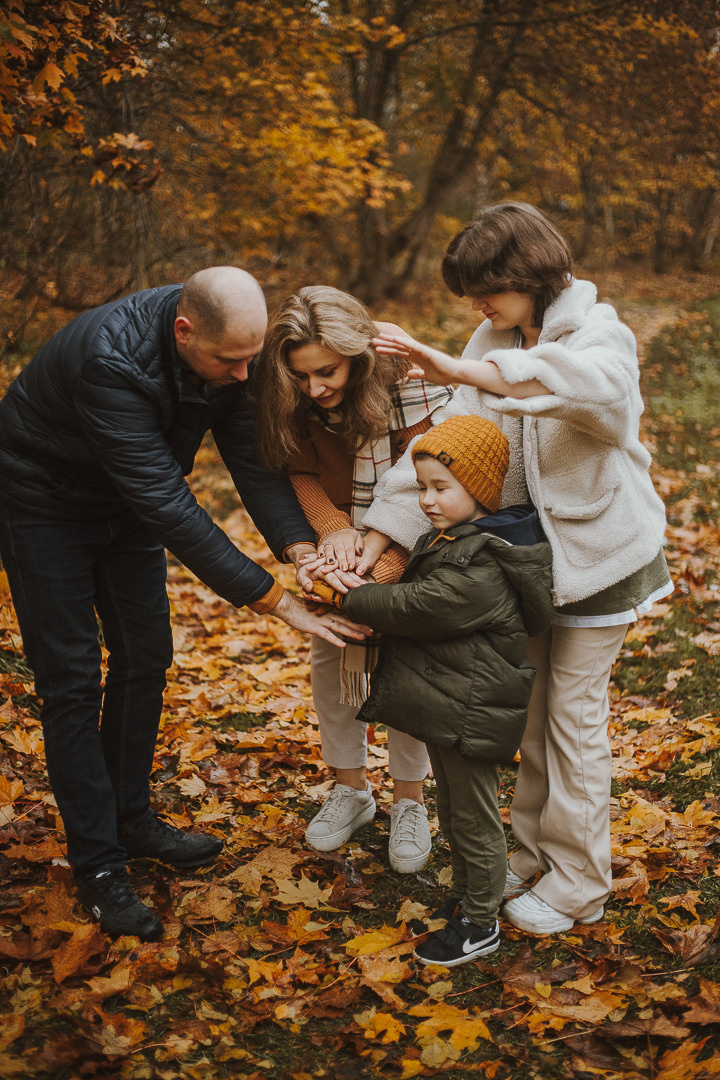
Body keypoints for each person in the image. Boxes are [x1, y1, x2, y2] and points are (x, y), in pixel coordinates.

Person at [0, 267, 368, 942]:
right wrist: (272, 599)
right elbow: (169, 504)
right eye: (230, 361)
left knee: (147, 657)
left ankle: (131, 818)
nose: (243, 373)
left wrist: (295, 547)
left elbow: (251, 462)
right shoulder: (109, 361)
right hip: (42, 506)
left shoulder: (234, 356)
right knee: (73, 682)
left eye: (252, 359)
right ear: (183, 331)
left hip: (126, 507)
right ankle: (99, 864)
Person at [361, 202, 672, 934]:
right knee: (530, 718)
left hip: (601, 559)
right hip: (527, 566)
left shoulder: (600, 333)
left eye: (485, 289)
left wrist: (470, 367)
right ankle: (532, 858)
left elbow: (589, 387)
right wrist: (381, 536)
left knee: (572, 721)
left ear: (526, 274)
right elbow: (450, 444)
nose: (476, 305)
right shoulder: (492, 337)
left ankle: (581, 882)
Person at [313, 414, 554, 965]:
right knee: (452, 805)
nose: (426, 499)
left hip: (472, 709)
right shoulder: (453, 538)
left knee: (474, 816)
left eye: (441, 488)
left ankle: (481, 921)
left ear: (481, 489)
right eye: (421, 486)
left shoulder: (486, 559)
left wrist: (345, 597)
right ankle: (469, 898)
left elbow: (416, 606)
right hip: (452, 702)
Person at [253, 285, 452, 873]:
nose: (316, 388)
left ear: (359, 356)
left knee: (409, 667)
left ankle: (410, 801)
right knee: (333, 657)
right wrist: (333, 534)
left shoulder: (411, 383)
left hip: (414, 535)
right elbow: (298, 469)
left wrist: (377, 567)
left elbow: (430, 481)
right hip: (341, 546)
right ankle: (351, 790)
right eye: (302, 376)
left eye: (328, 372)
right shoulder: (294, 394)